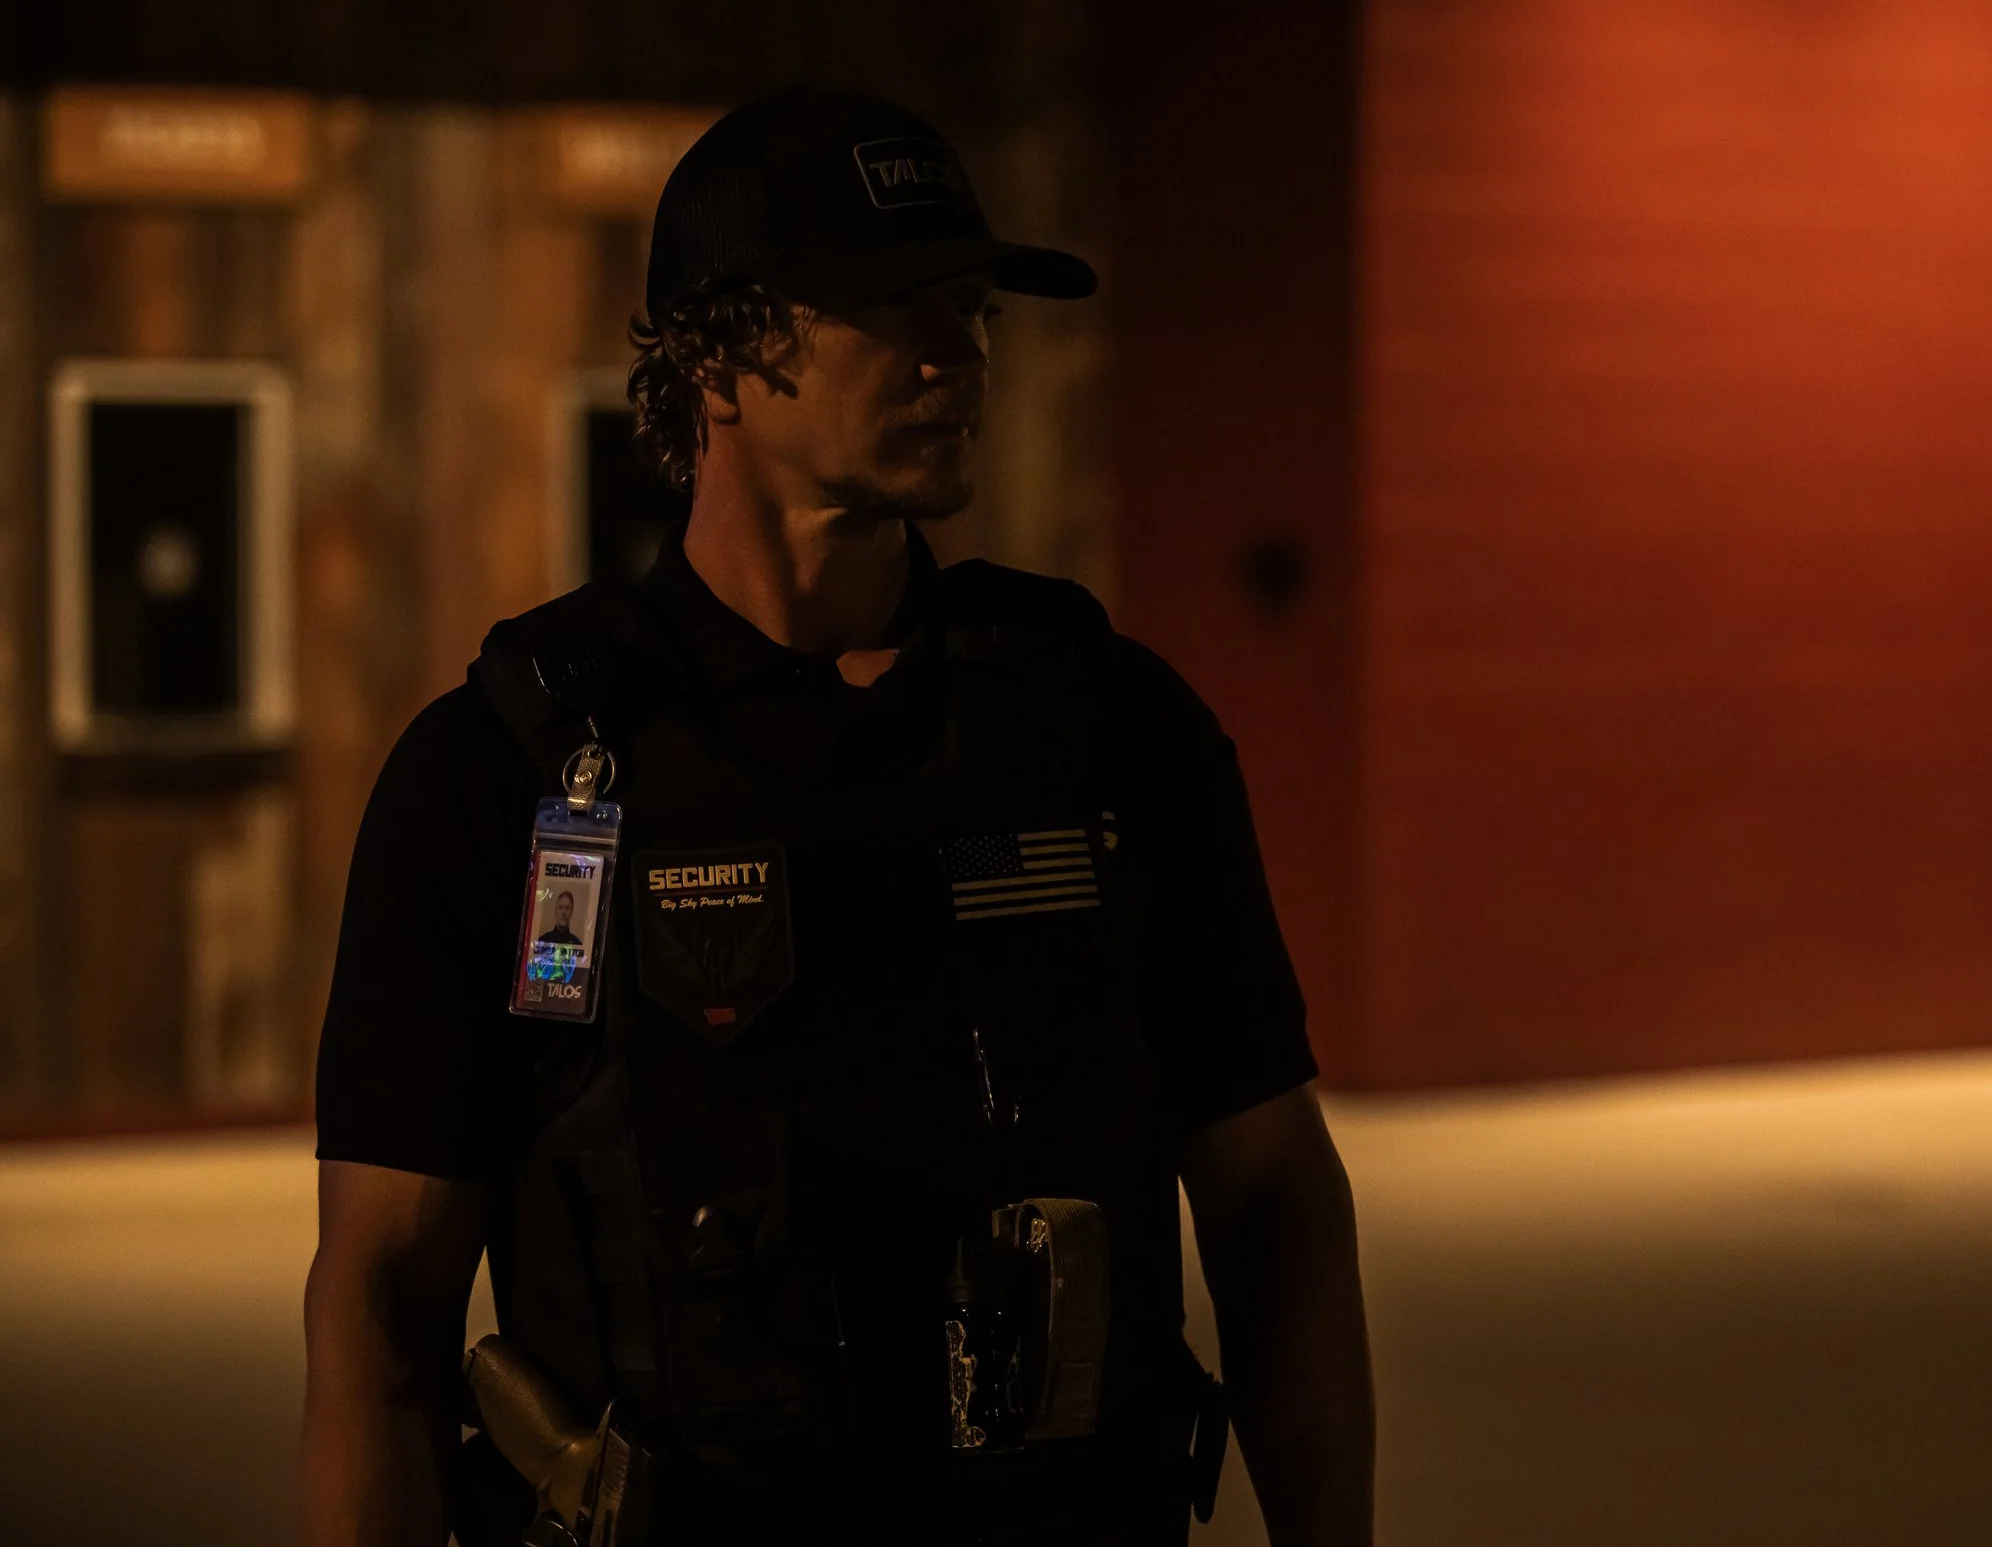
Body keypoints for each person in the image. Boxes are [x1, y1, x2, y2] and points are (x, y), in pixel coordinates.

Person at [300, 87, 1375, 1547]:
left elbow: (1272, 1197)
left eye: (974, 308)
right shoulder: (509, 775)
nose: (963, 353)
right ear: (721, 360)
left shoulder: (1109, 731)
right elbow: (382, 1305)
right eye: (895, 309)